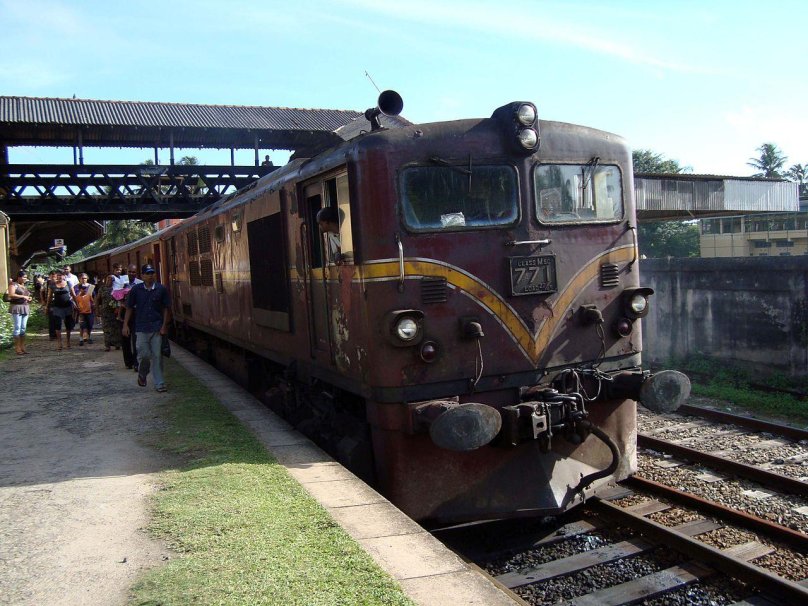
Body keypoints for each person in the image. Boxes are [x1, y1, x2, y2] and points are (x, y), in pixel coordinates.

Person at [122, 264, 171, 392]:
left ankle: (159, 383)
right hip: (141, 327)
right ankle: (143, 373)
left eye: (152, 273)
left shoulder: (161, 289)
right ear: (142, 276)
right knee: (144, 355)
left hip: (156, 327)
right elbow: (129, 307)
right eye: (148, 273)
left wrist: (164, 326)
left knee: (157, 355)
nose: (150, 275)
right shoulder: (136, 290)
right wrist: (125, 324)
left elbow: (166, 308)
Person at [46, 270, 79, 350]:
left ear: (64, 276)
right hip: (57, 307)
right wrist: (47, 307)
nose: (59, 277)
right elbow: (49, 297)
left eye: (61, 275)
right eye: (58, 275)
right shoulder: (52, 285)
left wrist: (77, 305)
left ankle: (68, 341)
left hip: (67, 307)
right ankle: (59, 343)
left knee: (68, 325)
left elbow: (74, 295)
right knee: (57, 325)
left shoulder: (68, 283)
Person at [120, 264, 143, 370]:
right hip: (123, 312)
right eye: (129, 272)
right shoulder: (121, 283)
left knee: (136, 338)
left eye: (133, 272)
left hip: (135, 313)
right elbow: (114, 295)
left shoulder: (140, 284)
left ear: (136, 273)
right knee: (125, 338)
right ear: (126, 272)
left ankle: (136, 362)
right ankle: (128, 362)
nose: (131, 274)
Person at [7, 270, 33, 355]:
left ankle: (22, 347)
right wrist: (23, 296)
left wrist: (29, 298)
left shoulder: (24, 286)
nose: (25, 279)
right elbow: (11, 294)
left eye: (26, 277)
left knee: (23, 328)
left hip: (25, 307)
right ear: (19, 277)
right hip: (16, 307)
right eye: (24, 277)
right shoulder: (13, 285)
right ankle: (17, 348)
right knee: (17, 328)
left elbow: (26, 296)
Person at [94, 274, 122, 352]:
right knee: (106, 328)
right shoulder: (102, 288)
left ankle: (117, 344)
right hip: (105, 311)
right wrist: (97, 310)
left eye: (112, 280)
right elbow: (97, 299)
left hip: (115, 311)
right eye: (108, 279)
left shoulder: (116, 288)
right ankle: (107, 345)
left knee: (116, 328)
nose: (110, 281)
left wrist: (118, 308)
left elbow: (120, 299)